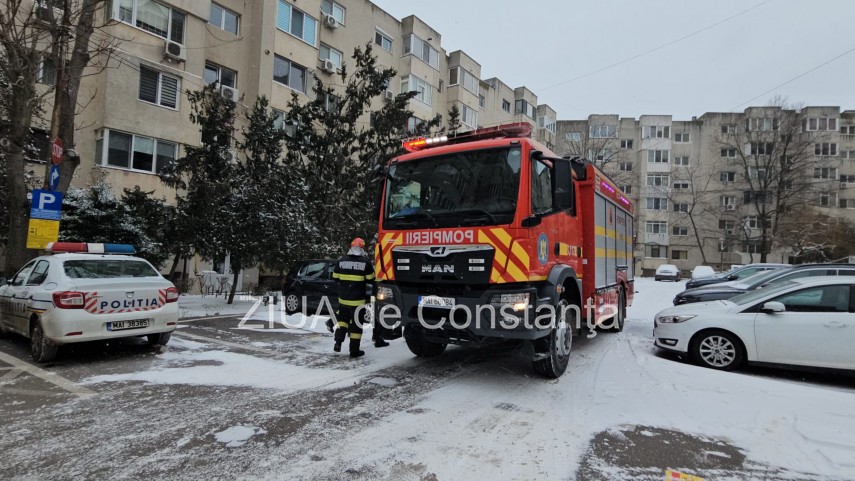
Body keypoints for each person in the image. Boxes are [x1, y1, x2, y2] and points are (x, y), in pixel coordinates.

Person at [331, 238, 386, 357]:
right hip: (357, 301)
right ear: (362, 249)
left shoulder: (341, 261)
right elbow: (371, 279)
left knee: (342, 322)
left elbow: (335, 277)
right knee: (356, 325)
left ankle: (338, 343)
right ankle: (354, 351)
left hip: (343, 299)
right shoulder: (365, 262)